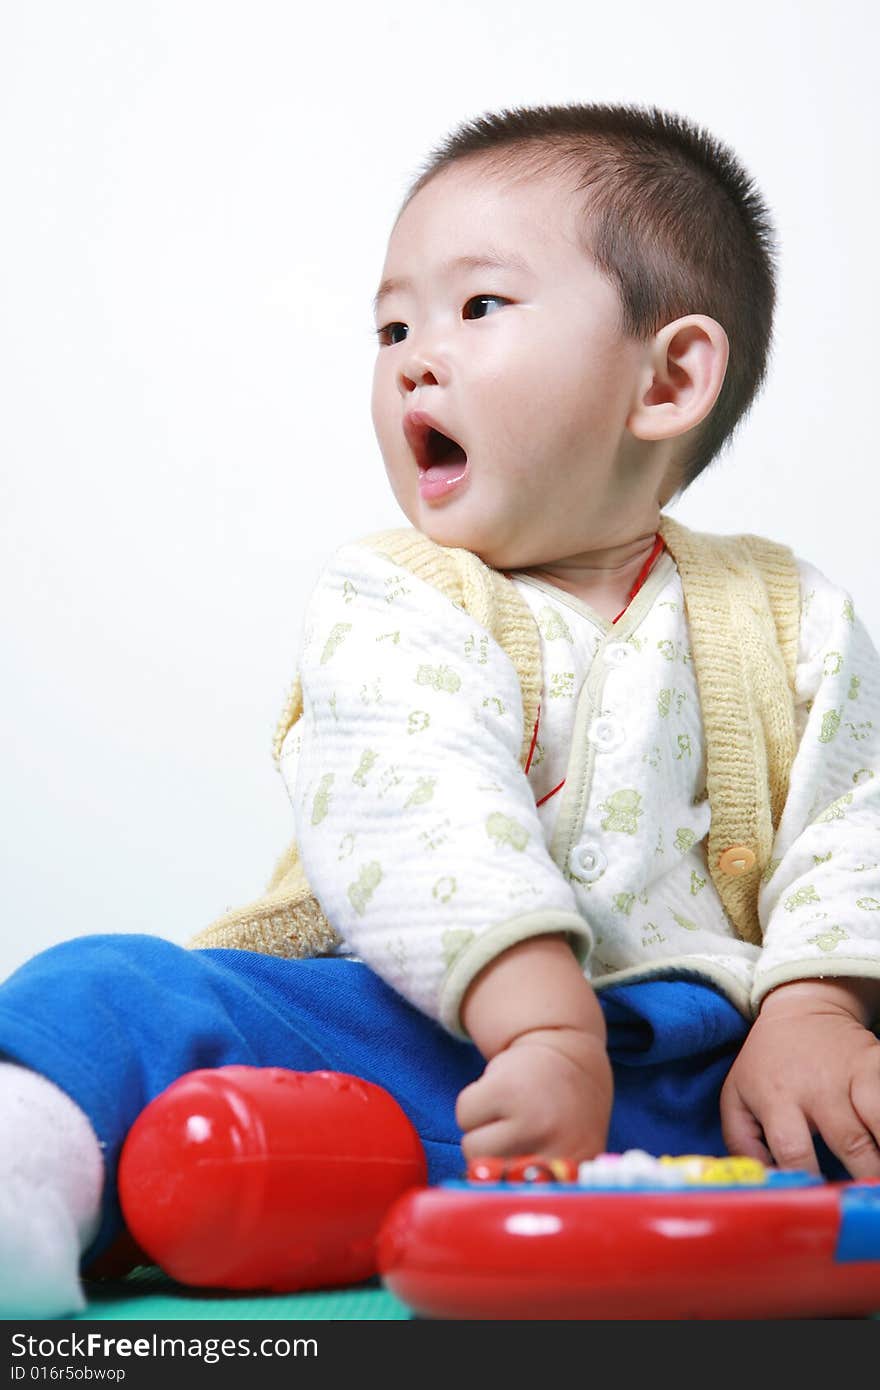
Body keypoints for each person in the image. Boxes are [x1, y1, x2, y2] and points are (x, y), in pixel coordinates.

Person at [2, 102, 879, 1319]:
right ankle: (34, 1181)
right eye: (391, 325)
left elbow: (853, 820)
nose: (413, 355)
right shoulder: (395, 598)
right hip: (424, 1041)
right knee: (116, 994)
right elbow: (420, 805)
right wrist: (537, 1028)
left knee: (840, 1096)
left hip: (707, 1070)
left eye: (476, 309)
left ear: (669, 377)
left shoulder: (794, 617)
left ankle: (293, 1188)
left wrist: (815, 1010)